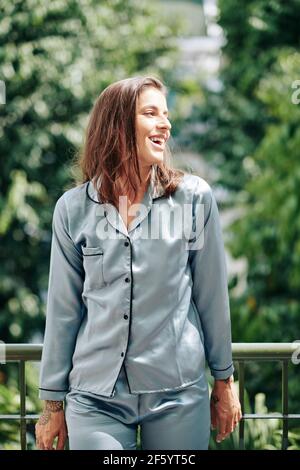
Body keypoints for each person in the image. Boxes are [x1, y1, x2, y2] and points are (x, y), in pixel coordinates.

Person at [35, 75, 241, 451]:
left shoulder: (194, 199)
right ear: (118, 126)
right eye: (151, 113)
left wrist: (224, 382)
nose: (166, 124)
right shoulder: (72, 209)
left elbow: (212, 298)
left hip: (177, 391)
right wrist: (52, 404)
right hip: (96, 396)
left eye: (166, 115)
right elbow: (63, 310)